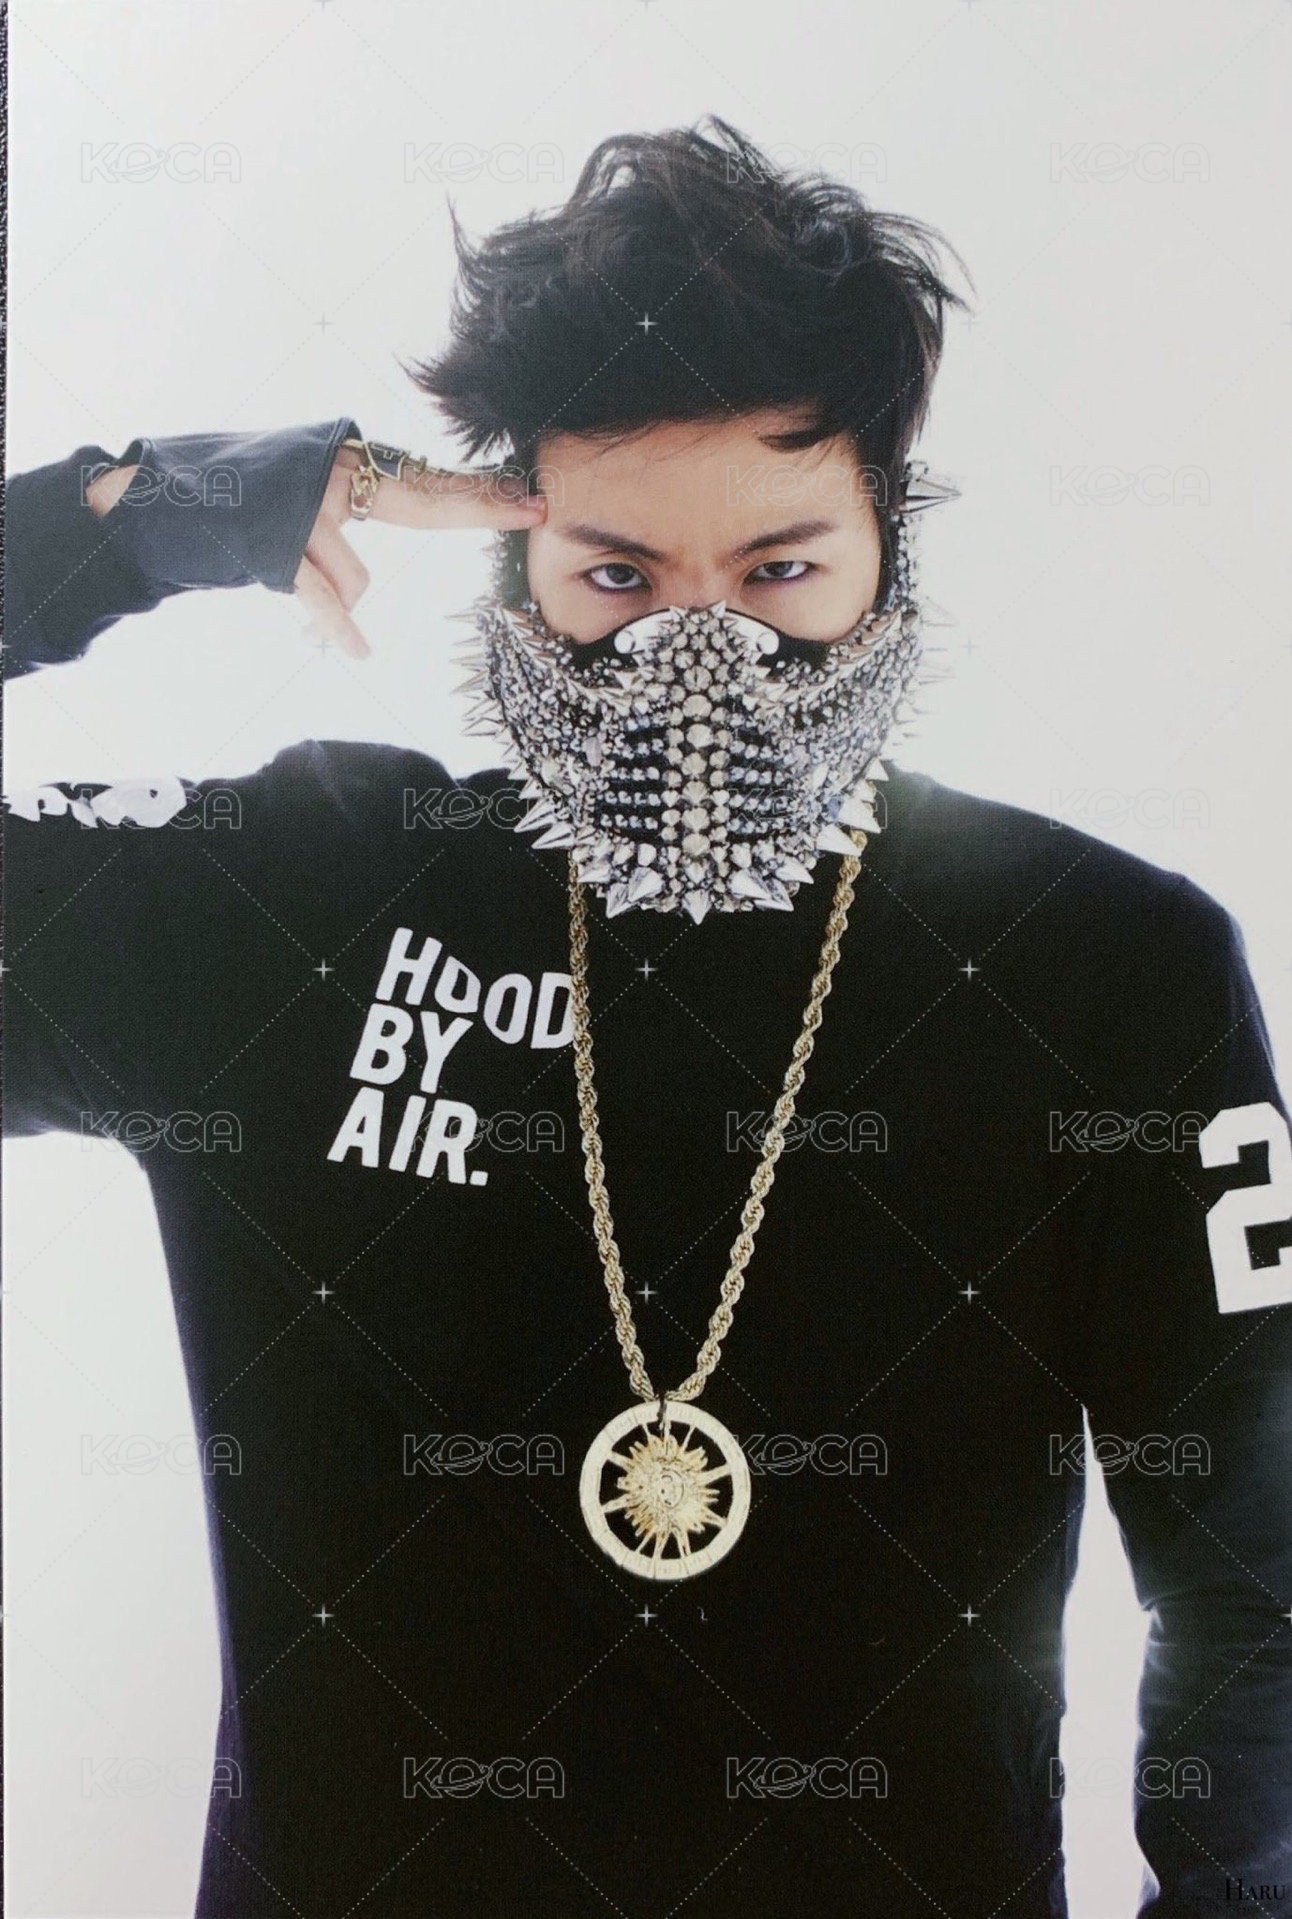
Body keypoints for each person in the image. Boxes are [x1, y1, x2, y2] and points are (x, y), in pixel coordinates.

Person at [5, 117, 1291, 1919]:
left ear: (891, 545)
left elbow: (1258, 1566)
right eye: (616, 578)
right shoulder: (294, 899)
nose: (702, 665)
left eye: (780, 573)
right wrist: (137, 519)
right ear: (512, 563)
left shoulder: (1105, 967)